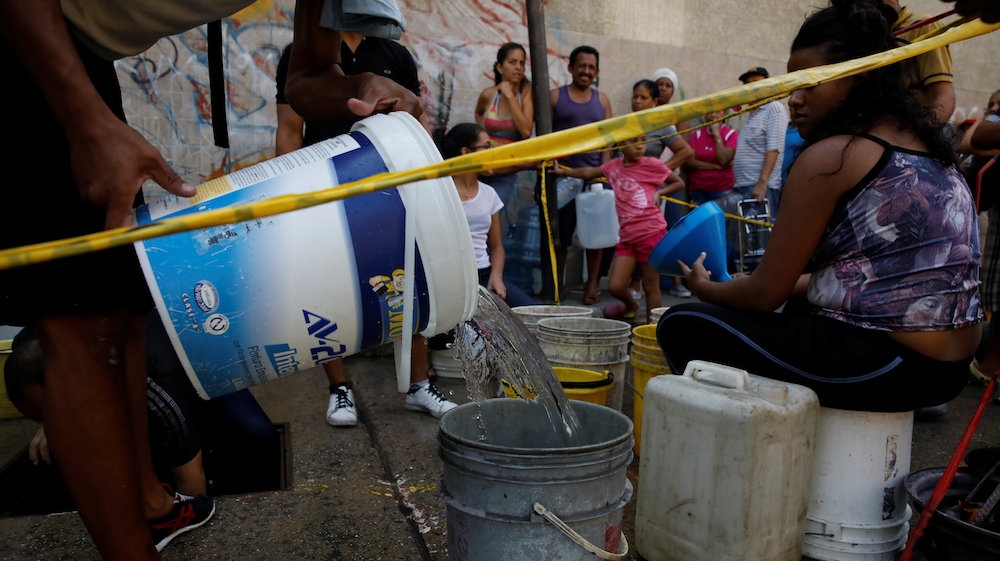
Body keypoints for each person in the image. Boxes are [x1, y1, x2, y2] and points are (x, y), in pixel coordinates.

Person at [0, 1, 421, 559]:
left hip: (84, 56)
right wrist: (85, 121)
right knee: (84, 320)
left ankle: (151, 504)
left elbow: (310, 78)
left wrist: (359, 84)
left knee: (121, 305)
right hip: (29, 36)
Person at [656, 0, 982, 414]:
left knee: (682, 324)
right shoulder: (927, 149)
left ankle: (750, 447)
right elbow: (858, 276)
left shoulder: (834, 156)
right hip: (950, 368)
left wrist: (706, 288)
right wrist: (748, 282)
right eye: (793, 85)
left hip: (891, 363)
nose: (794, 100)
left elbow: (763, 295)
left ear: (859, 77)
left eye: (810, 83)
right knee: (796, 310)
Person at [275, 33, 457, 427]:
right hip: (323, 187)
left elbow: (418, 122)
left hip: (389, 186)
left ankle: (419, 385)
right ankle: (339, 388)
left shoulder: (394, 53)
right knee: (325, 291)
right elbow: (289, 128)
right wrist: (290, 196)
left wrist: (432, 180)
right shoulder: (302, 52)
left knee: (409, 281)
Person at [5, 321, 207, 498]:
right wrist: (51, 423)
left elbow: (190, 476)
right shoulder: (29, 345)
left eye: (53, 414)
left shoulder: (148, 381)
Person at [554, 136, 683, 323]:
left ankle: (652, 331)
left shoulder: (652, 164)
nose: (640, 146)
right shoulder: (614, 167)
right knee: (616, 286)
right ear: (621, 145)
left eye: (643, 141)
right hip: (627, 238)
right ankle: (631, 306)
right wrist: (563, 172)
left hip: (651, 234)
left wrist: (660, 192)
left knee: (650, 287)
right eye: (633, 141)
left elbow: (678, 182)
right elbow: (589, 172)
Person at [438, 123, 537, 309]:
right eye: (486, 147)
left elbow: (496, 246)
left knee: (531, 312)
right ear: (466, 152)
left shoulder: (489, 194)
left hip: (484, 275)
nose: (492, 153)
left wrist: (496, 276)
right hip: (451, 280)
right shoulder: (441, 193)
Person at [549, 45, 613, 306]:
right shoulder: (555, 97)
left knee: (596, 238)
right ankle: (558, 286)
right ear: (571, 67)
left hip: (594, 180)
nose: (586, 71)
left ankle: (592, 285)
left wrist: (603, 172)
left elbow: (608, 141)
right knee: (560, 237)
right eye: (582, 66)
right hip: (561, 178)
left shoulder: (603, 101)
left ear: (596, 71)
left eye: (591, 67)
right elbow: (545, 136)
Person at [637, 74, 694, 298]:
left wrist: (659, 171)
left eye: (643, 98)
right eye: (635, 97)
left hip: (655, 190)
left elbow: (686, 151)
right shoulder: (627, 124)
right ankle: (634, 287)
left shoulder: (664, 123)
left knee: (657, 235)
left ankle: (664, 285)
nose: (638, 101)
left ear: (653, 101)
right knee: (631, 237)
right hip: (630, 192)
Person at [475, 42, 535, 236]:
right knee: (476, 219)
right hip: (482, 169)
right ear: (500, 67)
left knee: (490, 221)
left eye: (522, 63)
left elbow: (525, 131)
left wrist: (509, 95)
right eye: (512, 62)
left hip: (506, 172)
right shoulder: (489, 94)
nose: (518, 67)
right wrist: (485, 139)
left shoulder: (525, 94)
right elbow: (479, 113)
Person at [885, 0, 956, 124]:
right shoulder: (861, 30)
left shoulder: (923, 26)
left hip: (905, 126)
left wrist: (922, 132)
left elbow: (943, 97)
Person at [732, 66, 788, 218]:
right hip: (743, 185)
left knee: (760, 231)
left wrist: (762, 182)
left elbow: (774, 148)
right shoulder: (751, 113)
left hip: (760, 188)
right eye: (748, 84)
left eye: (756, 82)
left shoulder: (774, 108)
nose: (752, 88)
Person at [685, 109, 739, 205]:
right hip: (698, 189)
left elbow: (724, 161)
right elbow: (689, 162)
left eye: (718, 112)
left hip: (722, 190)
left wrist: (717, 135)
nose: (713, 115)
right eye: (710, 112)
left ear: (724, 114)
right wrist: (715, 166)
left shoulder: (731, 134)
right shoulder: (697, 134)